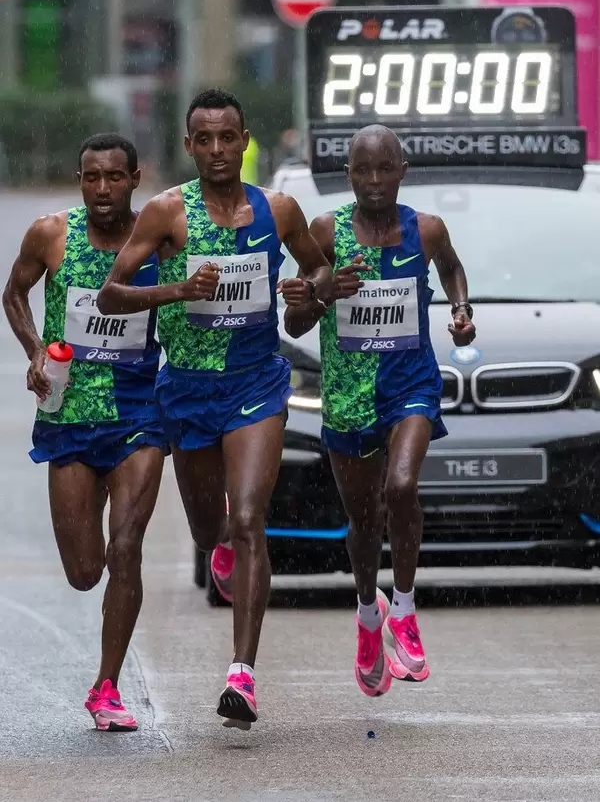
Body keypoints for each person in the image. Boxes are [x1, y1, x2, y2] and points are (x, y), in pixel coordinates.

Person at [96, 88, 332, 729]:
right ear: (189, 146)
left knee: (251, 518)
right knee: (211, 532)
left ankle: (242, 675)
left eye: (230, 137)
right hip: (188, 393)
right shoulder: (167, 214)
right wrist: (177, 289)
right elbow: (111, 296)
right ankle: (220, 547)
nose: (219, 150)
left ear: (246, 139)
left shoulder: (277, 209)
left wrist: (302, 297)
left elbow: (318, 282)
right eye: (206, 139)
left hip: (256, 384)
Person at [284, 125, 475, 696]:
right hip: (347, 395)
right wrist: (322, 295)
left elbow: (452, 268)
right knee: (364, 520)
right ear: (349, 175)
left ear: (402, 170)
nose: (373, 182)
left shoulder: (427, 229)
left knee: (401, 486)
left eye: (384, 169)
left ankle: (407, 610)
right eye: (362, 171)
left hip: (409, 383)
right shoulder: (327, 233)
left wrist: (461, 310)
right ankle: (370, 614)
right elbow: (295, 322)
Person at [2, 134, 168, 732]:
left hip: (139, 415)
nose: (103, 190)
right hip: (68, 416)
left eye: (114, 178)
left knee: (127, 548)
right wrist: (35, 352)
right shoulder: (52, 235)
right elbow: (13, 292)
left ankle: (106, 687)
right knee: (84, 572)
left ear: (134, 179)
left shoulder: (155, 240)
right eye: (91, 178)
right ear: (80, 181)